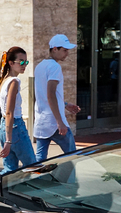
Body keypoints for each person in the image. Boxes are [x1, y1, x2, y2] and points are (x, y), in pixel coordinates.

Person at [33, 34, 81, 162]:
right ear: (55, 49)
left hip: (41, 121)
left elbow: (45, 94)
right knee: (73, 156)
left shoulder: (39, 67)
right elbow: (50, 94)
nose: (67, 54)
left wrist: (64, 104)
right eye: (64, 50)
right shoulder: (55, 67)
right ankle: (71, 181)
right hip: (54, 122)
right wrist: (60, 121)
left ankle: (37, 181)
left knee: (40, 159)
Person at [0, 47, 36, 175]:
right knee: (32, 167)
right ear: (11, 63)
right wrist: (8, 140)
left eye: (26, 62)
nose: (24, 65)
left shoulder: (3, 81)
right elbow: (9, 112)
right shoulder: (14, 81)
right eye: (21, 62)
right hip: (15, 127)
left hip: (4, 126)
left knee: (10, 169)